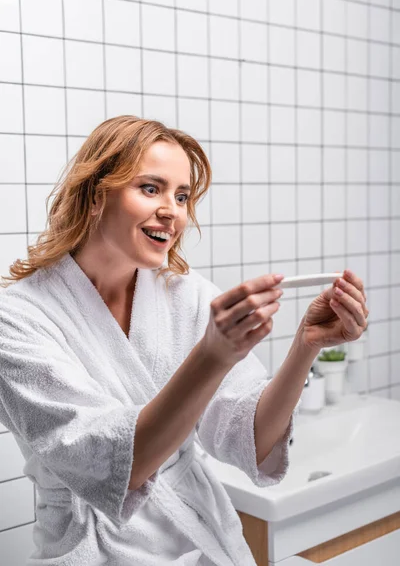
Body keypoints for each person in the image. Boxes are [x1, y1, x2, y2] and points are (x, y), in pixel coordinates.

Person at [0, 115, 369, 566]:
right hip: (94, 550)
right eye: (150, 188)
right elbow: (118, 467)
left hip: (197, 542)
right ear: (96, 196)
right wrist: (212, 356)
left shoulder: (183, 292)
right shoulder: (17, 317)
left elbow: (249, 437)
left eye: (182, 196)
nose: (172, 211)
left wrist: (306, 344)